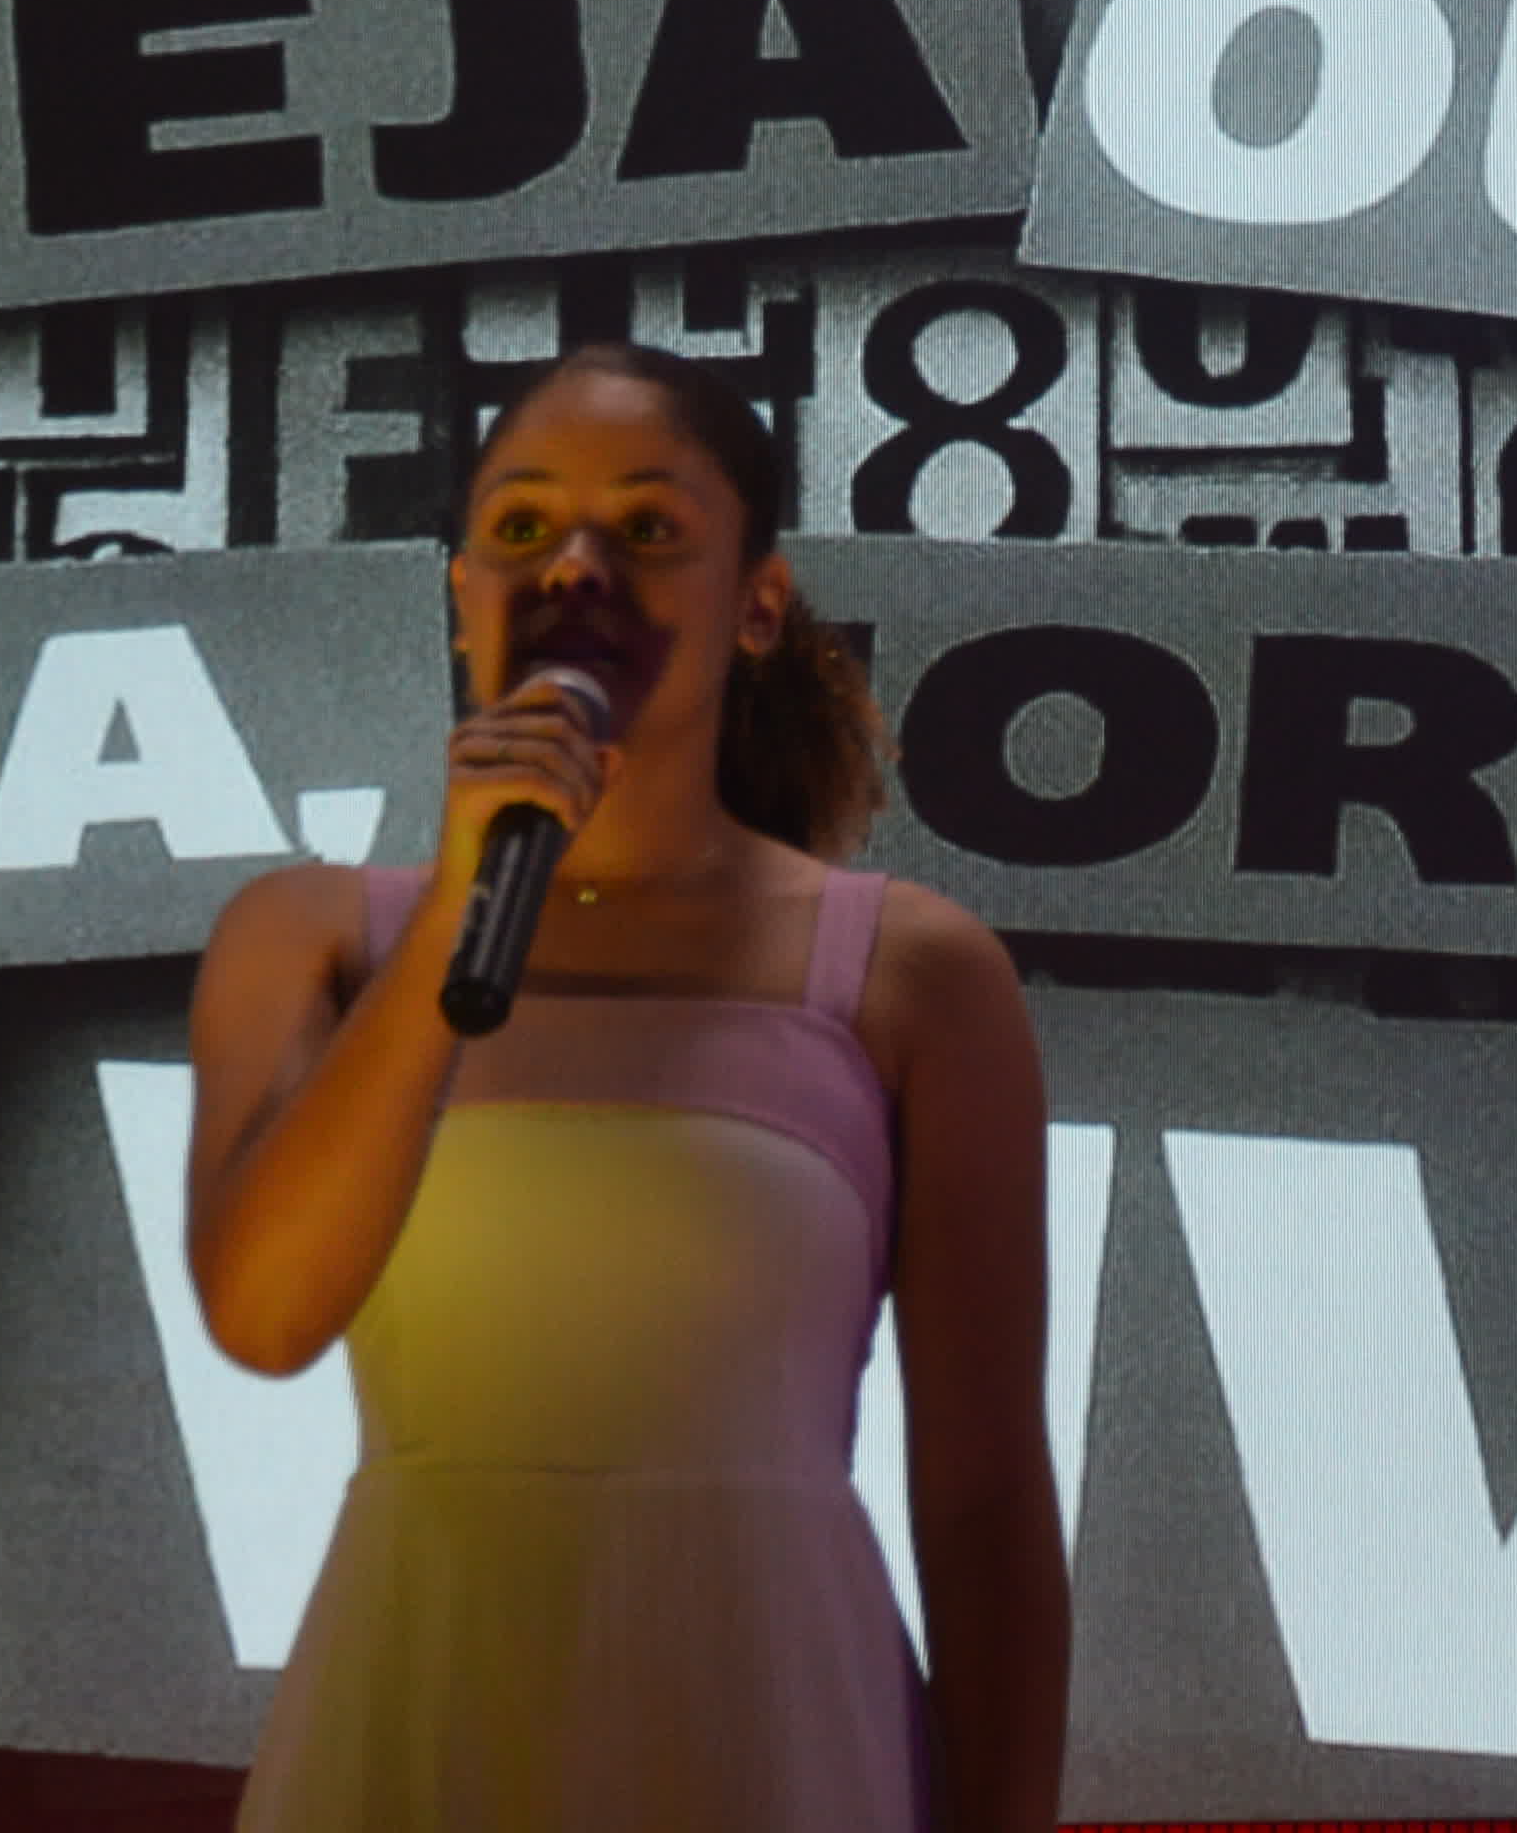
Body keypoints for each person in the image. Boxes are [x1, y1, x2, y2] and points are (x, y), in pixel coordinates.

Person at [181, 342, 1067, 1833]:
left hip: (771, 1718)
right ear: (464, 594)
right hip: (420, 1707)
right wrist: (463, 898)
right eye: (524, 525)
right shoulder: (309, 938)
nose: (576, 567)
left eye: (647, 527)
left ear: (759, 603)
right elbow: (265, 1316)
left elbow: (983, 1502)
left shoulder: (916, 973)